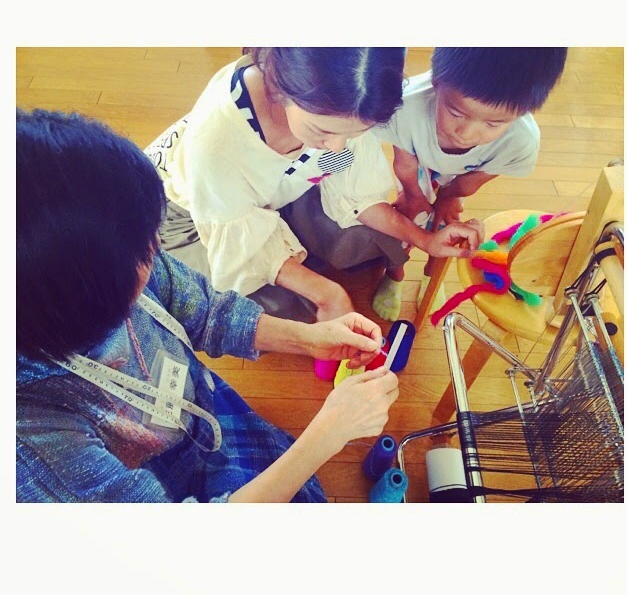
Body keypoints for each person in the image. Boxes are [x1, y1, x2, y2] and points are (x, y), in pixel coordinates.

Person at [16, 109, 399, 503]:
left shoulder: (109, 255)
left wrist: (309, 338)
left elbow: (205, 310)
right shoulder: (36, 453)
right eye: (142, 254)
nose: (157, 249)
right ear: (78, 301)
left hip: (200, 410)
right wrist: (327, 436)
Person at [144, 47, 483, 324]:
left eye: (356, 132)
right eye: (323, 131)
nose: (338, 147)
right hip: (191, 220)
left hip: (271, 193)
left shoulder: (347, 107)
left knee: (358, 240)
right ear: (279, 86)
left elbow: (357, 196)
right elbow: (241, 247)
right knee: (268, 313)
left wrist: (425, 240)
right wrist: (328, 293)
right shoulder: (217, 144)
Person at [369, 47, 568, 321]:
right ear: (437, 81)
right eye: (456, 113)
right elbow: (404, 164)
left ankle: (431, 276)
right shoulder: (405, 105)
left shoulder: (521, 142)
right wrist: (414, 195)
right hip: (415, 167)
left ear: (523, 111)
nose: (467, 134)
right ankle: (395, 273)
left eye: (493, 124)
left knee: (447, 227)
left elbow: (473, 181)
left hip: (459, 178)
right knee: (404, 221)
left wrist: (449, 197)